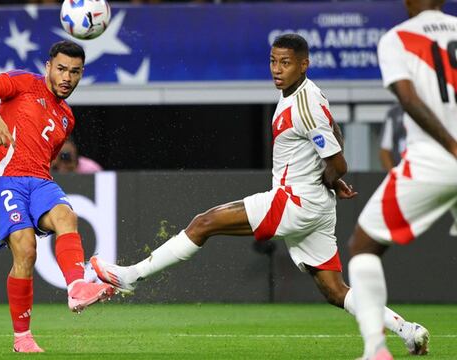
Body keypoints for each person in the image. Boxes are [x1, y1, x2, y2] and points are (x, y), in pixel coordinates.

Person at [90, 34, 427, 355]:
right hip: (316, 206)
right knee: (335, 291)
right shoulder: (307, 95)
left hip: (295, 201)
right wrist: (330, 178)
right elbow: (332, 136)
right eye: (273, 62)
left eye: (286, 63)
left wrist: (332, 175)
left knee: (203, 223)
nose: (277, 70)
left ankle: (129, 276)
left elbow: (339, 161)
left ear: (304, 64)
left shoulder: (304, 105)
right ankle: (407, 331)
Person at [0, 40, 115, 353]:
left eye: (74, 72)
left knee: (67, 216)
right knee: (26, 249)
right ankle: (22, 338)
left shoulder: (66, 118)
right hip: (4, 179)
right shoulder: (23, 83)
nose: (67, 77)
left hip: (39, 179)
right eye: (61, 68)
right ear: (48, 66)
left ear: (81, 74)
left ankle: (76, 286)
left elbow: (40, 155)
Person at [348, 0, 457, 359]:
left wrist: (452, 147)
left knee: (363, 246)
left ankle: (376, 349)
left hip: (434, 159)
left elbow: (408, 99)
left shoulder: (396, 38)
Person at [379, 104, 406, 171]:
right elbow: (384, 151)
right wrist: (394, 175)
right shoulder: (394, 113)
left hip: (422, 169)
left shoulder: (427, 109)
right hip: (400, 169)